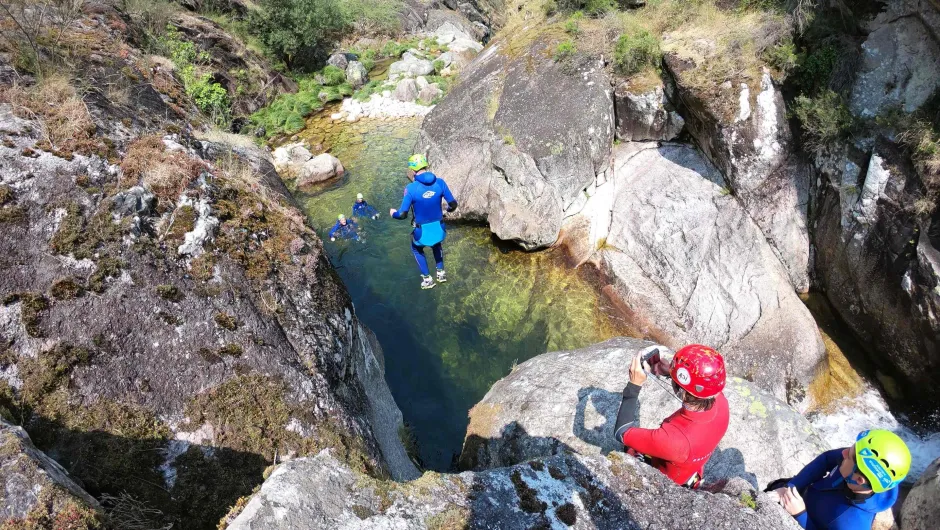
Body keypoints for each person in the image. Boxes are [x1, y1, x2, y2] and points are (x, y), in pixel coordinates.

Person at [613, 344, 729, 488]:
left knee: (629, 449)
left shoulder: (674, 440)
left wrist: (634, 385)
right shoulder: (721, 402)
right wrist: (670, 372)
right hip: (690, 470)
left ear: (683, 391)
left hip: (666, 480)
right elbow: (701, 387)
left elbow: (621, 432)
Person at [767, 429, 911, 530]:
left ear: (859, 479)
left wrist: (800, 515)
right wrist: (791, 487)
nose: (843, 452)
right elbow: (826, 459)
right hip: (802, 497)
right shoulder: (859, 462)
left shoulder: (853, 523)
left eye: (849, 455)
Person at [390, 154, 457, 290]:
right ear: (426, 166)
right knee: (436, 245)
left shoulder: (411, 188)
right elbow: (453, 205)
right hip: (439, 228)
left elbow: (402, 214)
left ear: (413, 170)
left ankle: (427, 279)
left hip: (422, 232)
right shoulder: (440, 182)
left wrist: (393, 214)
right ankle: (441, 273)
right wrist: (448, 211)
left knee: (417, 248)